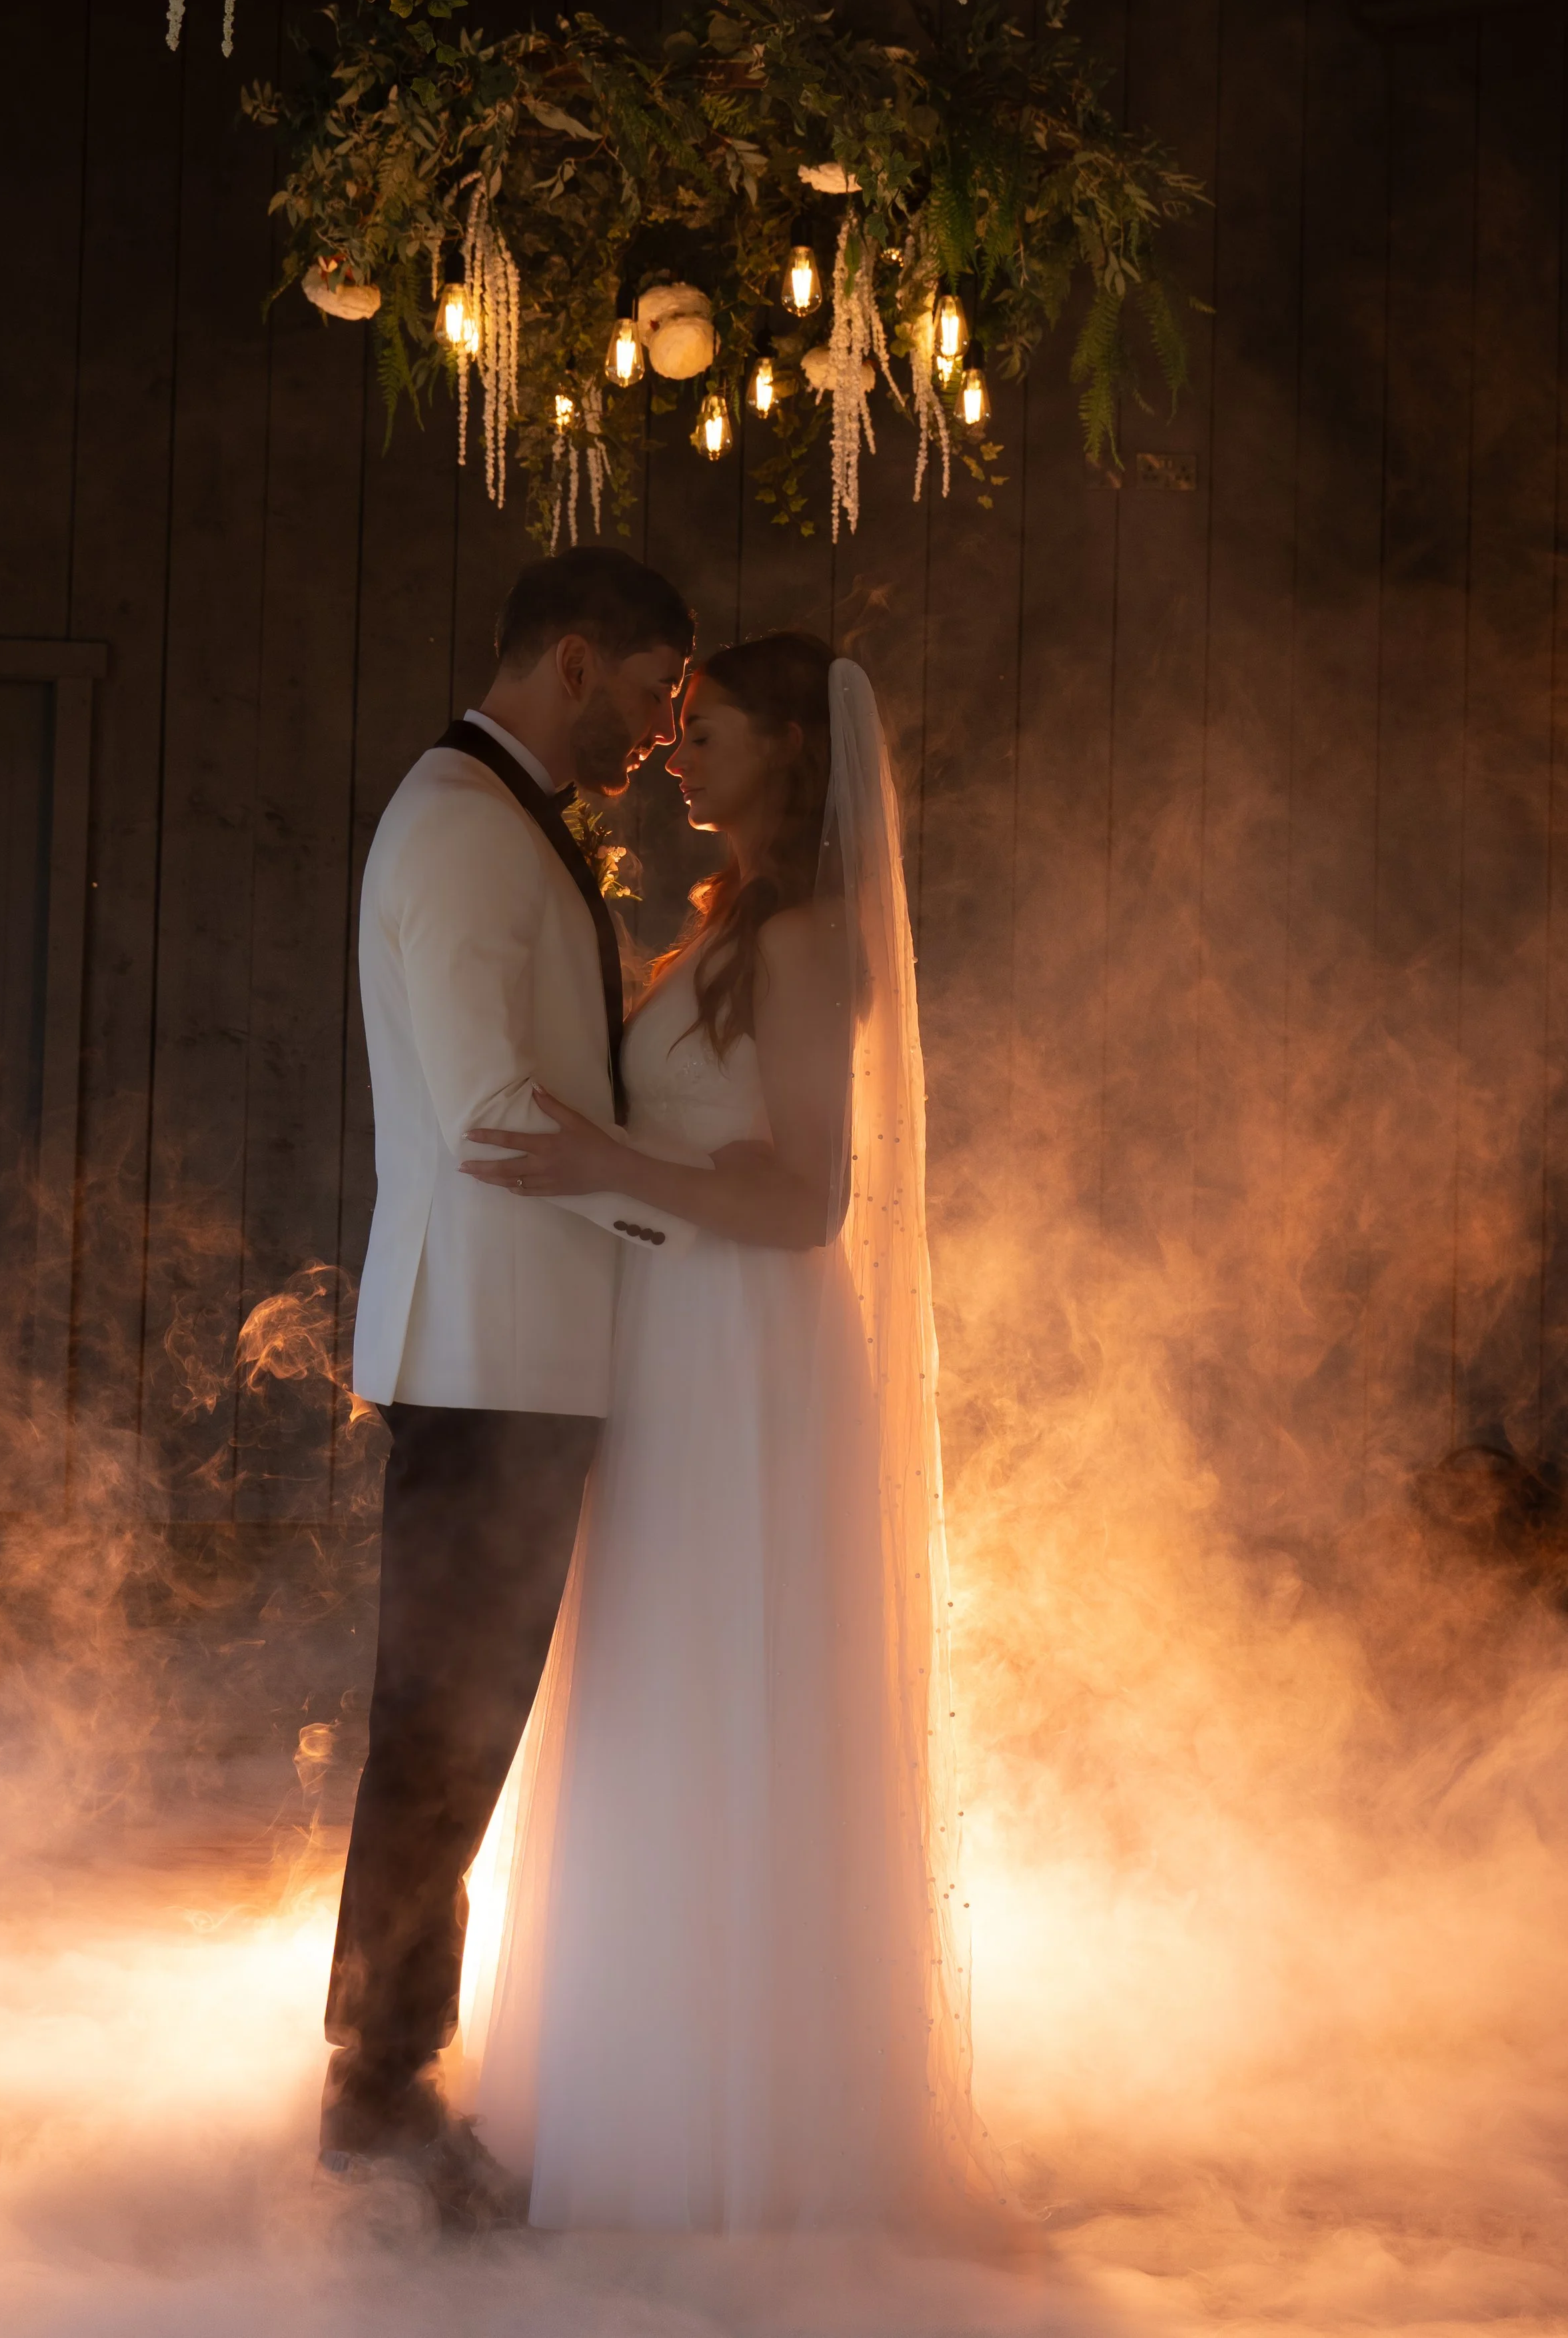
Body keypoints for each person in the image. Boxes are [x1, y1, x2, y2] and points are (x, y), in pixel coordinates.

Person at [459, 634, 981, 2231]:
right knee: (646, 1686)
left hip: (747, 1344)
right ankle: (627, 2072)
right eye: (677, 727)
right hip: (670, 1335)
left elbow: (809, 1198)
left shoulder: (811, 939)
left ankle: (741, 2125)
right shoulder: (721, 921)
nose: (676, 749)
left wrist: (606, 1166)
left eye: (710, 728)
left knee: (726, 1683)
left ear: (789, 753)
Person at [321, 546, 696, 2216]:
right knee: (440, 1732)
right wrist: (699, 1226)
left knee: (456, 1728)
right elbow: (491, 1117)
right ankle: (380, 2099)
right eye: (645, 695)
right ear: (571, 657)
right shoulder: (469, 828)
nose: (656, 733)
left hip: (517, 1345)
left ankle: (390, 2076)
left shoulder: (493, 815)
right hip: (492, 1352)